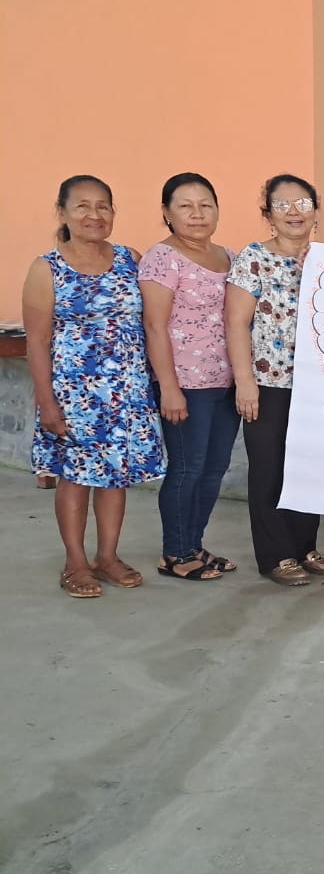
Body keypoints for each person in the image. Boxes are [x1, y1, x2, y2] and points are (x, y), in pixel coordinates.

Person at [23, 175, 164, 598]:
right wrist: (47, 402)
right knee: (75, 478)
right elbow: (37, 341)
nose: (94, 215)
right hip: (75, 396)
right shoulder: (47, 268)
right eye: (82, 206)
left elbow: (153, 320)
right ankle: (75, 562)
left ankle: (107, 556)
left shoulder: (129, 259)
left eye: (103, 206)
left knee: (114, 477)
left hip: (127, 392)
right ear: (63, 212)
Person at [225, 174, 324, 586]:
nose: (294, 212)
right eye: (283, 205)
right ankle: (276, 555)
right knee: (269, 469)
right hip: (267, 384)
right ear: (268, 214)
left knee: (308, 468)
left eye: (303, 204)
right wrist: (245, 382)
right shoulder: (253, 258)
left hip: (317, 386)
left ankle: (305, 546)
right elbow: (236, 323)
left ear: (316, 211)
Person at [138, 172, 238, 581]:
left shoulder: (229, 256)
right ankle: (175, 553)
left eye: (205, 205)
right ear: (167, 212)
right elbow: (154, 326)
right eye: (185, 206)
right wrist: (169, 388)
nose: (197, 214)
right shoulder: (161, 258)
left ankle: (194, 544)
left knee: (214, 469)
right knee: (187, 468)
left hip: (226, 382)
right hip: (185, 385)